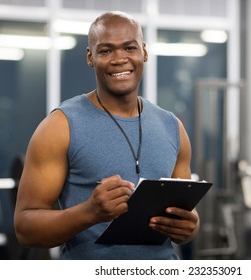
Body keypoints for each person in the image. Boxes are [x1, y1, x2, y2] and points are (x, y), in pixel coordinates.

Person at [14, 11, 200, 260]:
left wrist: (190, 225)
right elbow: (25, 228)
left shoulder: (172, 126)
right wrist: (90, 212)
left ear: (144, 52)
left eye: (129, 48)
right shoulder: (60, 126)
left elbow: (186, 213)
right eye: (106, 51)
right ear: (90, 57)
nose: (119, 59)